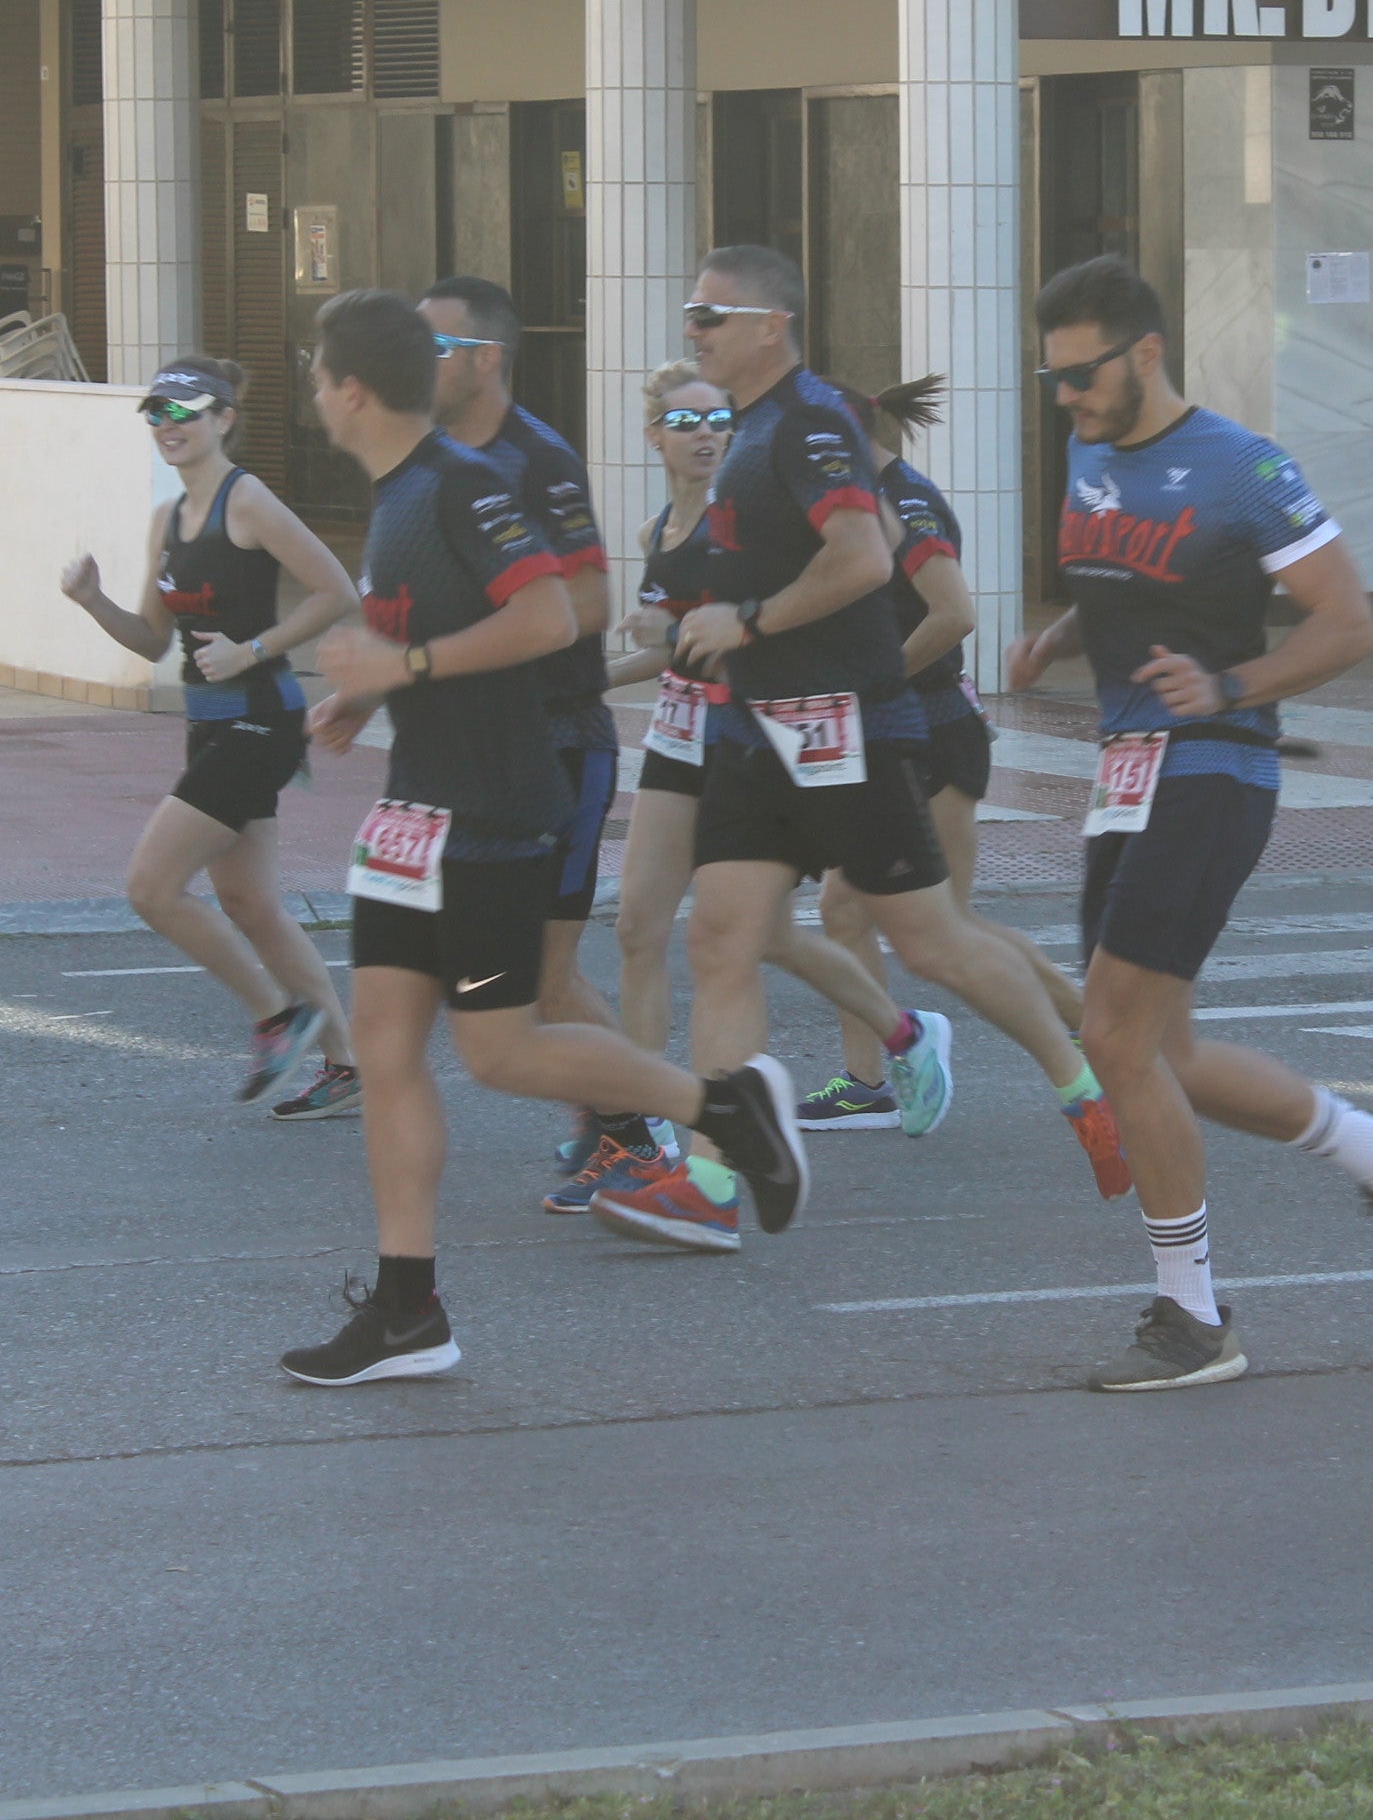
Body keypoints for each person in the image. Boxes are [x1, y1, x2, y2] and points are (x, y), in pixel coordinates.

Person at [279, 290, 808, 1386]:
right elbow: (420, 624)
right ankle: (406, 1311)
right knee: (383, 1053)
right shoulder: (393, 496)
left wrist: (403, 669)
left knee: (499, 1051)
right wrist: (363, 697)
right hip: (410, 812)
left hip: (490, 810)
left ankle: (721, 1105)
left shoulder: (464, 486)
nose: (313, 393)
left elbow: (549, 616)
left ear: (351, 389)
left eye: (316, 374)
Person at [1009, 255, 1373, 1393]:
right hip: (1126, 772)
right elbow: (1126, 576)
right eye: (1052, 380)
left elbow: (1348, 622)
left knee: (1113, 1039)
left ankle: (1192, 1319)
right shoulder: (1089, 451)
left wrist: (1234, 686)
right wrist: (1065, 636)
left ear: (1146, 354)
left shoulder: (1243, 468)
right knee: (1167, 1056)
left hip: (1213, 773)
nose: (1064, 400)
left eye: (1079, 377)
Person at [590, 246, 1096, 1256]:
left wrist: (753, 620)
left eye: (709, 315)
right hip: (756, 729)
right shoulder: (750, 432)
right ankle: (713, 1180)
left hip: (847, 728)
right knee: (722, 937)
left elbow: (860, 559)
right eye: (691, 315)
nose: (693, 330)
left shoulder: (812, 420)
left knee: (930, 940)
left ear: (769, 326)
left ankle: (1090, 1087)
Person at [567, 360, 957, 1227]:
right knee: (638, 926)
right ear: (654, 437)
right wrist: (584, 678)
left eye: (717, 420)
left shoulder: (762, 515)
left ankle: (901, 1034)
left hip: (756, 730)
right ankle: (647, 1135)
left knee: (766, 934)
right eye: (684, 422)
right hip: (681, 728)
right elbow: (678, 646)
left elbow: (825, 588)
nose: (704, 434)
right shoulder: (655, 526)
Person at [797, 376, 1132, 1197]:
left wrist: (865, 684)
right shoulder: (857, 498)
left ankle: (1096, 1042)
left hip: (932, 731)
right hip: (892, 732)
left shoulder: (904, 501)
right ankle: (868, 1079)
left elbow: (953, 615)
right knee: (847, 908)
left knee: (947, 930)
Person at [58, 355, 360, 1111]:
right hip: (212, 724)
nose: (170, 426)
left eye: (186, 412)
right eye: (157, 413)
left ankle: (275, 1019)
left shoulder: (247, 499)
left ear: (224, 418)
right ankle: (348, 1067)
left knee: (152, 888)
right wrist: (93, 602)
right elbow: (153, 641)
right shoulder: (169, 517)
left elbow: (336, 590)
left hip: (263, 720)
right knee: (250, 902)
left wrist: (251, 650)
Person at [392, 276, 631, 1150]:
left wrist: (463, 644)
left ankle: (641, 1135)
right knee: (464, 975)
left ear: (487, 360)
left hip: (561, 744)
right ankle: (620, 1127)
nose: (420, 366)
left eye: (438, 350)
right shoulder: (429, 462)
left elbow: (593, 600)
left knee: (548, 979)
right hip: (473, 754)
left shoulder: (538, 459)